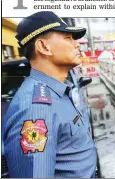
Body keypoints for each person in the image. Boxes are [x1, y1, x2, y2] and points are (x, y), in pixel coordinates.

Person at [3, 11, 97, 178]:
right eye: (68, 38)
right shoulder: (36, 109)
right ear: (43, 47)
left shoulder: (57, 91)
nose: (77, 44)